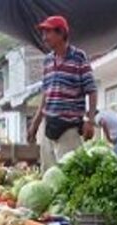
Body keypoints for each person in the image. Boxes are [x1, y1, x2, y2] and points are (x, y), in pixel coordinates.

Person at [27, 15, 97, 169]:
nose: (44, 38)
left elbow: (91, 90)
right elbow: (46, 94)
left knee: (68, 176)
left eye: (48, 33)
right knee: (48, 176)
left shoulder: (79, 57)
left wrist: (90, 122)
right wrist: (35, 123)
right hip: (49, 127)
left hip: (69, 129)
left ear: (61, 33)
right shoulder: (47, 61)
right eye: (43, 33)